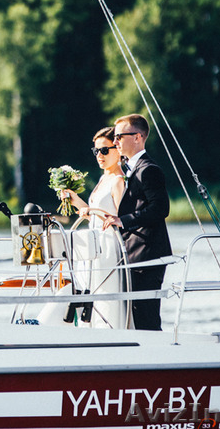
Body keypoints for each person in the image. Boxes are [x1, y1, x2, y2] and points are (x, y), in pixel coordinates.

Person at [102, 113, 172, 330]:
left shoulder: (148, 169)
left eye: (119, 137)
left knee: (146, 317)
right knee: (136, 315)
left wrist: (122, 221)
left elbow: (160, 209)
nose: (115, 142)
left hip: (147, 254)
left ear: (138, 137)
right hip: (134, 254)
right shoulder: (132, 169)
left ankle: (156, 358)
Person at [64, 126, 125, 229]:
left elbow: (121, 222)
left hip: (111, 242)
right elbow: (97, 221)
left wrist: (92, 212)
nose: (99, 155)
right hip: (96, 239)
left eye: (104, 150)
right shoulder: (103, 178)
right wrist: (75, 200)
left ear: (118, 149)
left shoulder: (118, 181)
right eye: (96, 151)